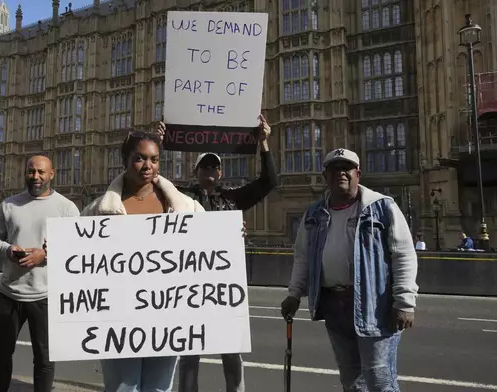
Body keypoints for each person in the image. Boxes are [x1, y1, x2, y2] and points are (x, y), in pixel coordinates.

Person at [280, 148, 419, 392]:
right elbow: (302, 256)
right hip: (334, 305)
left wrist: (405, 302)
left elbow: (403, 253)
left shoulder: (382, 207)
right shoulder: (313, 213)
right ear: (326, 176)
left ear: (358, 174)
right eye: (334, 169)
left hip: (375, 306)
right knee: (351, 380)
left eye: (346, 168)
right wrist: (294, 293)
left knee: (380, 380)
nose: (340, 173)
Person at [80, 131, 205, 392]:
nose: (148, 166)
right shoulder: (96, 210)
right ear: (125, 160)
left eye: (154, 159)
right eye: (139, 158)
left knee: (159, 389)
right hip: (117, 317)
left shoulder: (187, 207)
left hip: (167, 315)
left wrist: (233, 234)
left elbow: (209, 247)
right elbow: (77, 256)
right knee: (123, 388)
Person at [172, 115, 276, 392]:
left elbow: (268, 182)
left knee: (231, 350)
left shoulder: (232, 199)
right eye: (204, 166)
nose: (209, 170)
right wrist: (158, 142)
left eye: (213, 166)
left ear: (220, 172)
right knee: (189, 352)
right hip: (189, 285)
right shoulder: (181, 198)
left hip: (223, 288)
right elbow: (150, 184)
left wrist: (263, 142)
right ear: (195, 172)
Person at [0, 155, 81, 392]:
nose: (35, 177)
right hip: (9, 294)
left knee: (45, 360)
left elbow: (77, 250)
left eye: (40, 172)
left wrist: (45, 256)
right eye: (31, 172)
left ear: (52, 174)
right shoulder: (9, 204)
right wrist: (8, 249)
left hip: (46, 296)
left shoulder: (67, 208)